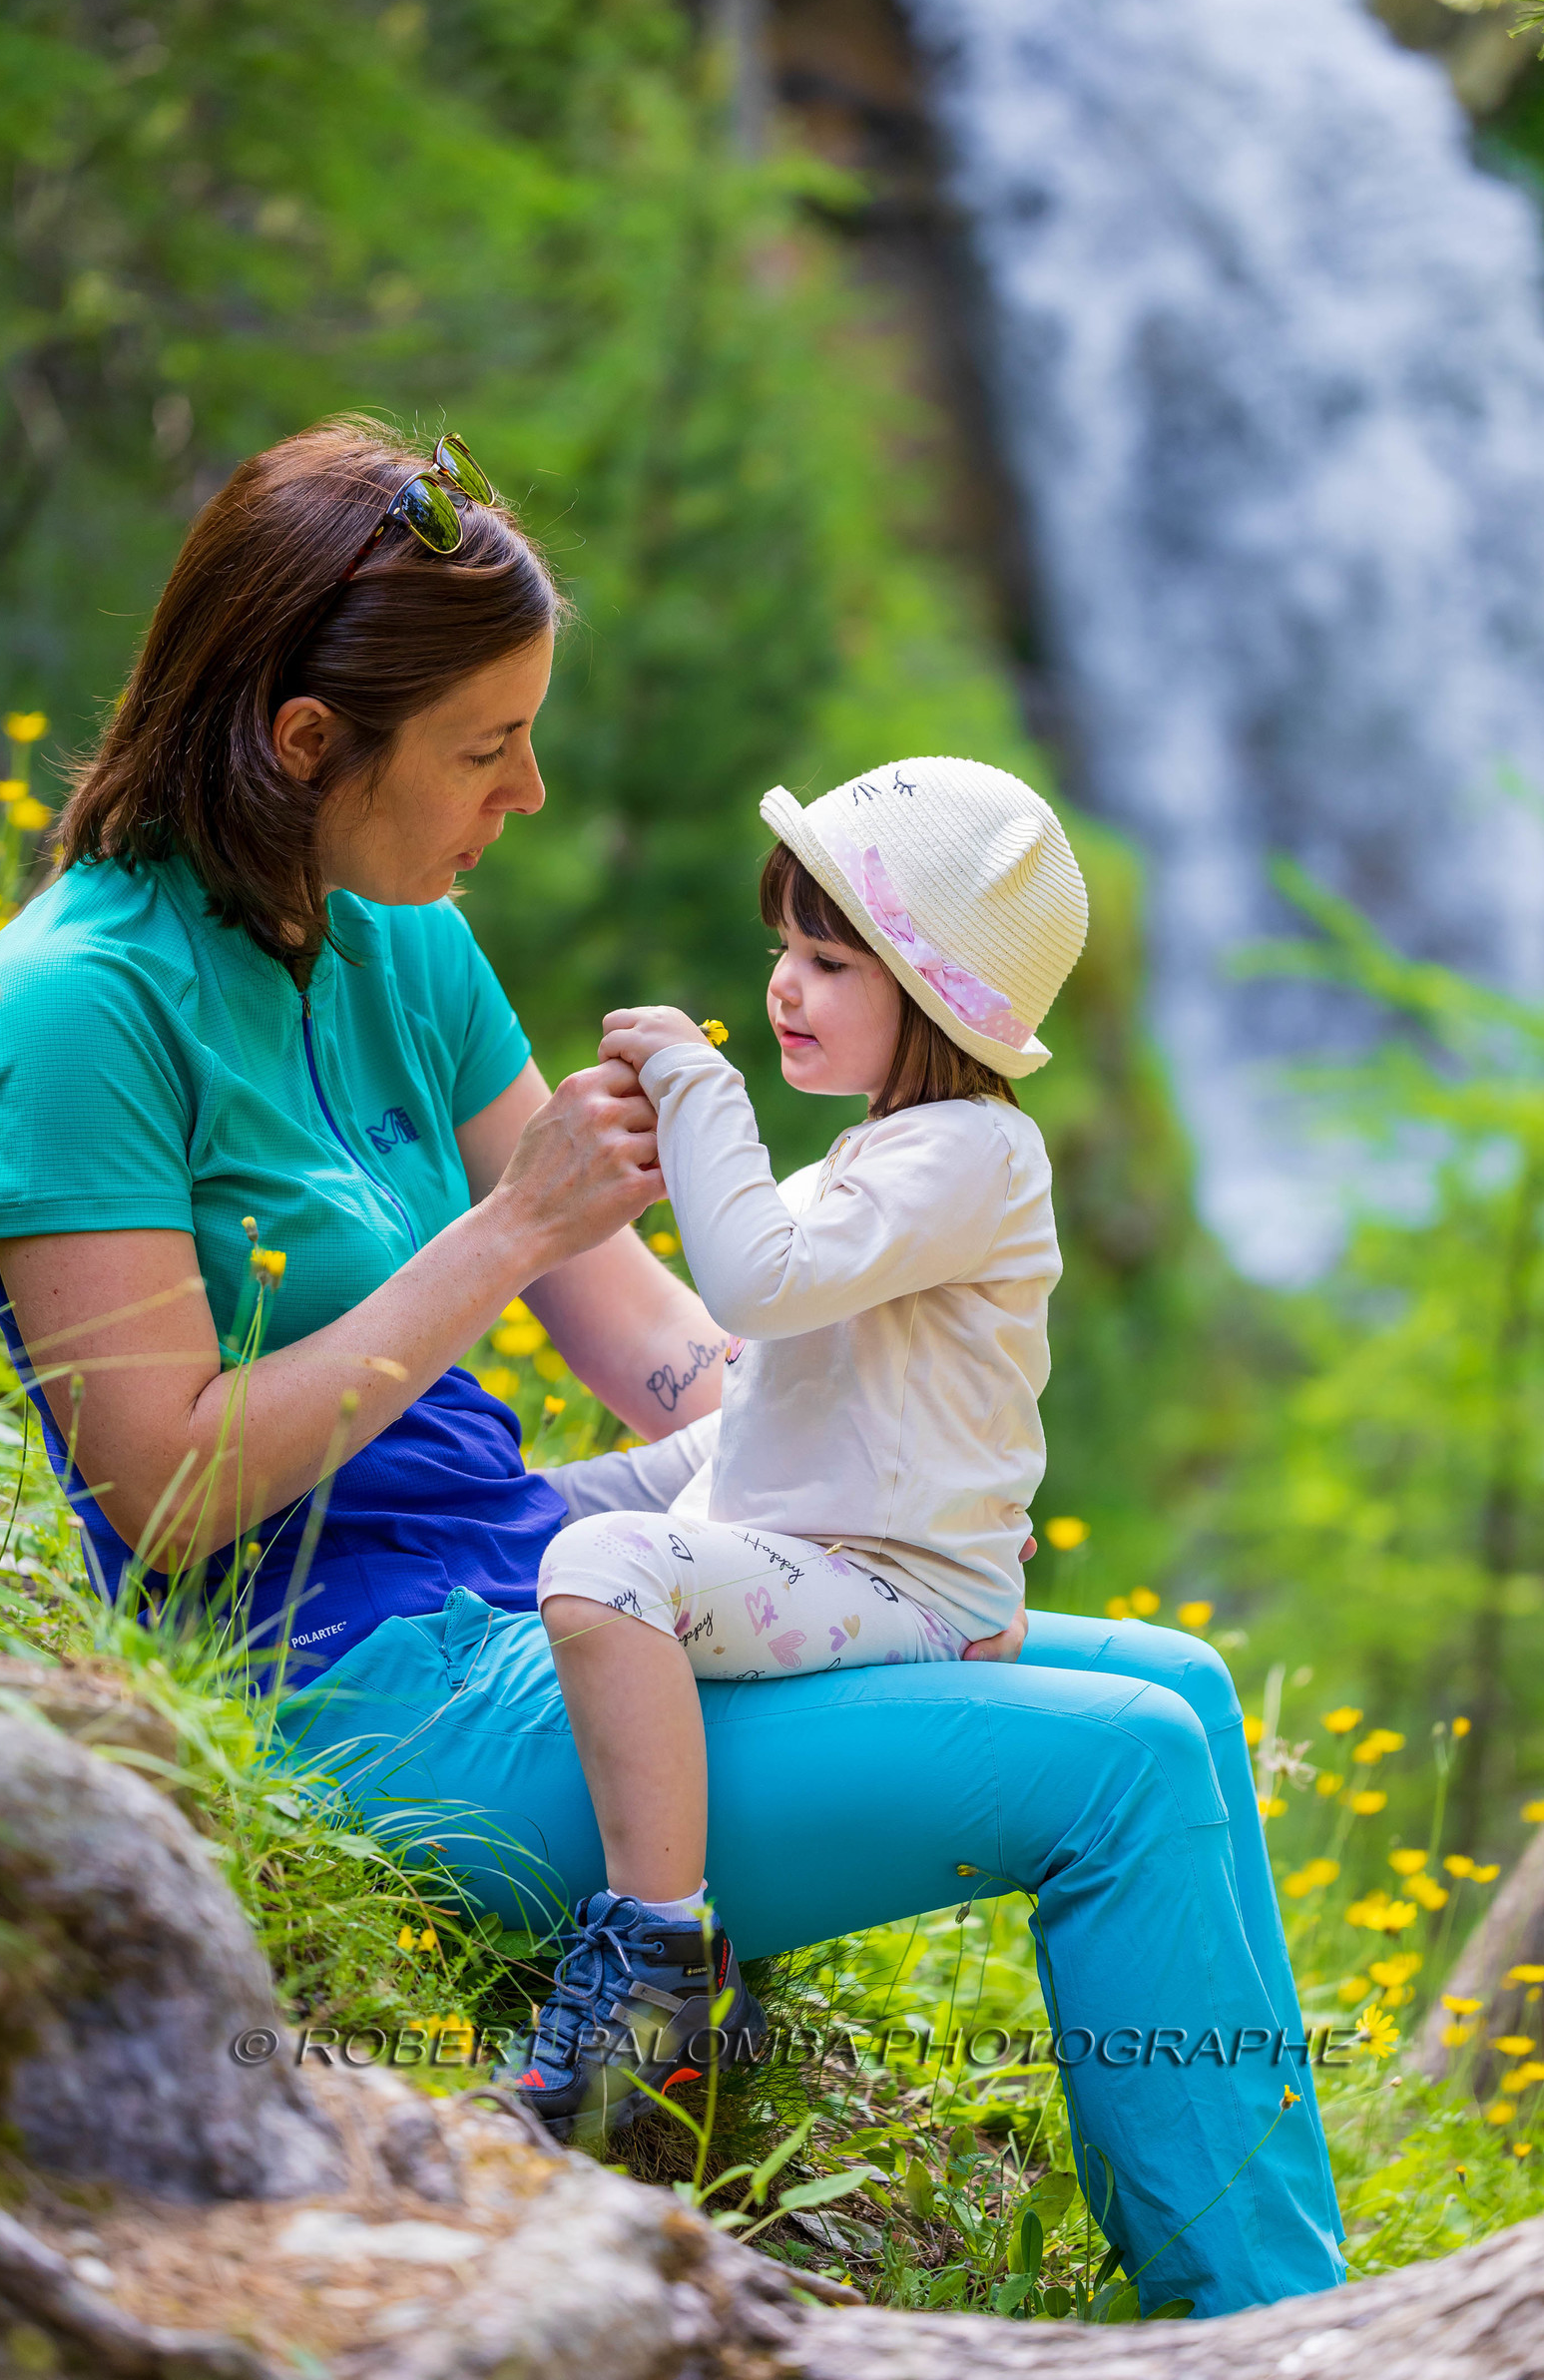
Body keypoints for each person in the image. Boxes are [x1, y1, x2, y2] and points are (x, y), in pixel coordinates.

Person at [0, 416, 1344, 2317]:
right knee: (1115, 1778)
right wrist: (503, 1235)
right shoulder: (74, 1010)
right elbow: (165, 1491)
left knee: (1178, 1686)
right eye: (486, 746)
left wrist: (885, 1454)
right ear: (304, 743)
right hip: (349, 1686)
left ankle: (1271, 2294)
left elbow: (653, 1347)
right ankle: (1282, 2338)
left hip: (526, 1577)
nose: (528, 790)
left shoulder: (400, 941)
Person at [520, 757, 1087, 2138]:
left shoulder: (972, 1155)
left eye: (830, 962)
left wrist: (701, 1092)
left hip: (893, 1577)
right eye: (785, 949)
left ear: (939, 998)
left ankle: (663, 1961)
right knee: (543, 1515)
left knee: (604, 1569)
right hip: (816, 1517)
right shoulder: (896, 1149)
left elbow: (758, 1282)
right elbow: (773, 1337)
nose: (784, 985)